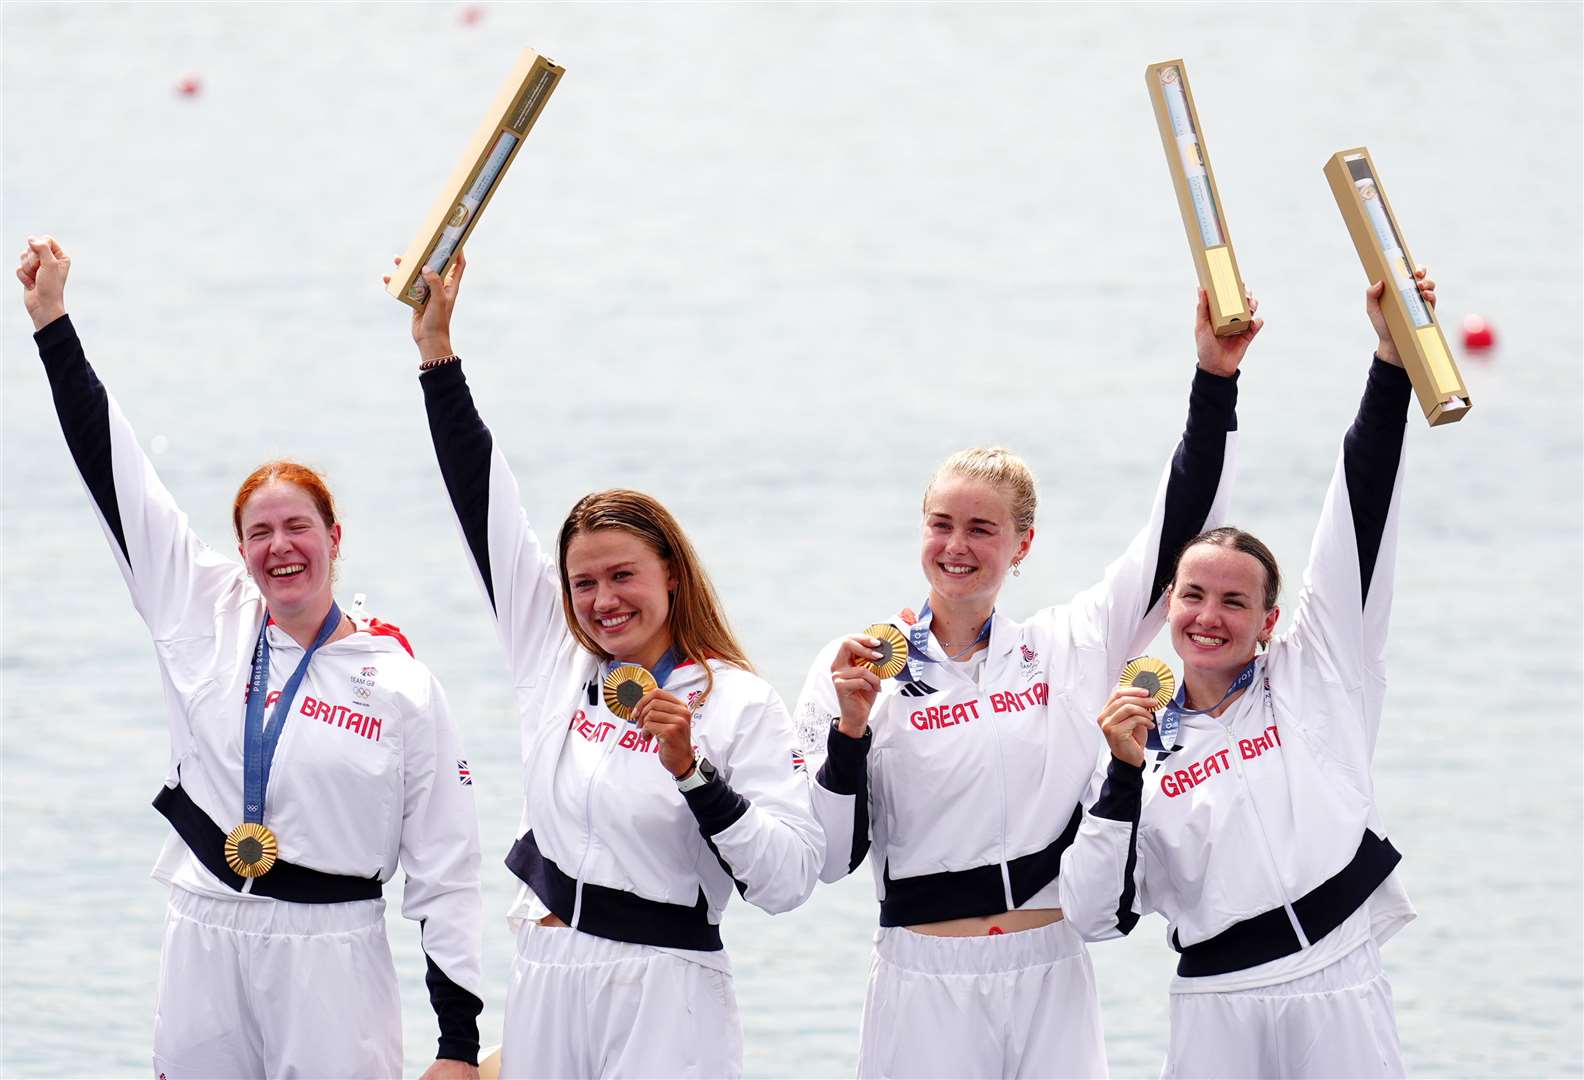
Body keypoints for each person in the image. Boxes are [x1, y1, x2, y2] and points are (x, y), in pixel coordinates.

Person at [17, 235, 484, 1080]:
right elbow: (116, 474)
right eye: (259, 532)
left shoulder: (402, 685)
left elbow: (446, 870)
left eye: (298, 526)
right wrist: (52, 321)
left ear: (334, 539)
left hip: (333, 953)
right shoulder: (202, 609)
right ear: (238, 550)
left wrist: (456, 1043)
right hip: (204, 929)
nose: (280, 547)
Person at [794, 287, 1261, 1078]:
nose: (957, 546)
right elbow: (831, 858)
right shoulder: (859, 667)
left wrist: (1214, 379)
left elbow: (1175, 527)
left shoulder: (1069, 645)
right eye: (941, 524)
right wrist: (848, 731)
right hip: (922, 975)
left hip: (1051, 966)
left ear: (1023, 544)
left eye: (982, 528)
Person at [391, 252, 823, 1079]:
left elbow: (790, 880)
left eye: (623, 575)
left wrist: (695, 773)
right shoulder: (554, 655)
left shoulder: (736, 702)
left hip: (667, 988)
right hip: (550, 973)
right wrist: (438, 354)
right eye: (583, 582)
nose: (602, 600)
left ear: (671, 573)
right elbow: (484, 503)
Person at [1058, 272, 1437, 1078]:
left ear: (1270, 621)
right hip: (1215, 1007)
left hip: (1337, 980)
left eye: (1236, 601)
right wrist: (1122, 780)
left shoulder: (1319, 674)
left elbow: (1359, 509)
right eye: (1193, 594)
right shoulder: (1132, 738)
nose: (1208, 615)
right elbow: (1092, 914)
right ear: (1170, 605)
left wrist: (1390, 360)